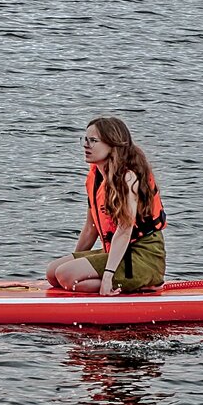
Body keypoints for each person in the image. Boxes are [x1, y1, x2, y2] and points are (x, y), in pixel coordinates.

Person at [46, 116, 167, 295]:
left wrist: (108, 276)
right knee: (54, 273)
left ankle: (145, 283)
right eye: (85, 139)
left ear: (113, 145)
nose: (86, 145)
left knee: (67, 276)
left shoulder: (128, 178)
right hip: (118, 251)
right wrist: (75, 262)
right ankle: (93, 278)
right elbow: (90, 228)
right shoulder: (96, 178)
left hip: (143, 255)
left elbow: (125, 229)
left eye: (93, 141)